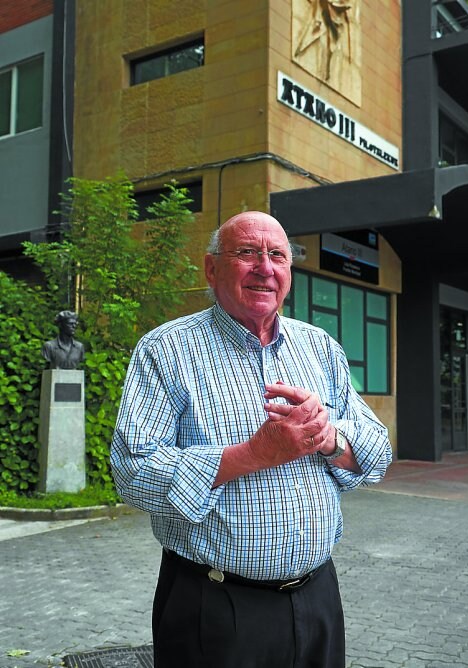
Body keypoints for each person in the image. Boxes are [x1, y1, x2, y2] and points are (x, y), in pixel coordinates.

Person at [111, 211, 392, 668]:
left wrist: (329, 438)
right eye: (247, 253)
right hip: (214, 605)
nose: (265, 267)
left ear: (289, 272)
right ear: (211, 268)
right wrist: (255, 454)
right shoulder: (166, 350)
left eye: (277, 255)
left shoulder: (319, 347)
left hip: (317, 599)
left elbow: (376, 453)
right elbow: (133, 472)